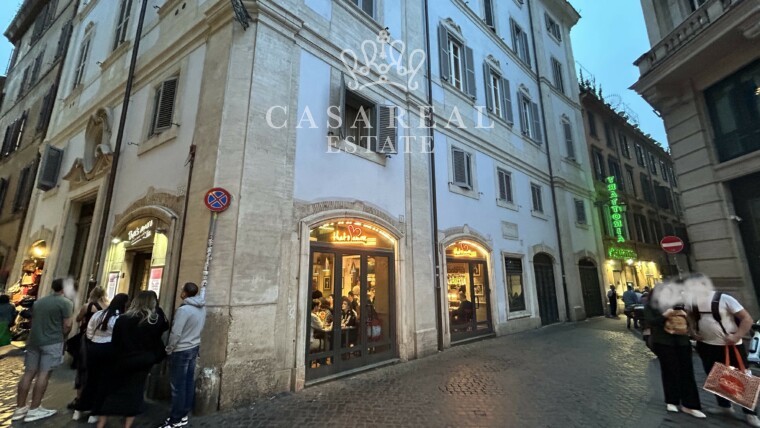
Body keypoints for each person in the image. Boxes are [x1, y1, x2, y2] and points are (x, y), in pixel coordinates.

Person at [95, 291, 168, 428]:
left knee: (112, 389)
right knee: (135, 391)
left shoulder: (122, 319)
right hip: (143, 360)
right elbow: (163, 329)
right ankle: (127, 425)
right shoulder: (154, 320)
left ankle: (102, 422)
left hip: (123, 359)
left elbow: (115, 342)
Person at [692, 288, 760, 427]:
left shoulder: (724, 299)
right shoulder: (692, 301)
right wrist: (693, 331)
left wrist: (736, 336)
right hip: (706, 345)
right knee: (715, 376)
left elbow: (747, 319)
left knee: (742, 378)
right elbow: (690, 317)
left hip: (730, 346)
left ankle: (750, 414)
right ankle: (724, 407)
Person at [12, 278, 74, 422]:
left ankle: (19, 408)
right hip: (52, 341)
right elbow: (68, 324)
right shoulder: (65, 303)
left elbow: (34, 319)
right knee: (44, 374)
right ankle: (34, 408)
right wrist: (63, 336)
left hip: (34, 341)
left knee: (28, 373)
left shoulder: (39, 302)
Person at [644, 288, 705, 419]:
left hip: (682, 341)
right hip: (663, 341)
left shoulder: (680, 304)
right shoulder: (652, 306)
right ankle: (672, 401)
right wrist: (665, 315)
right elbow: (650, 321)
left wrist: (686, 315)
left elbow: (691, 321)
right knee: (670, 371)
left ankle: (690, 405)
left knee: (687, 372)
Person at [74, 293, 129, 422]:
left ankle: (80, 408)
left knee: (90, 379)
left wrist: (92, 340)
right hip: (108, 350)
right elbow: (119, 337)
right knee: (103, 381)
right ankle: (95, 412)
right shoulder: (119, 318)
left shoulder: (99, 314)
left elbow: (89, 329)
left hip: (93, 348)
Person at [160, 282, 206, 428]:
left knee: (178, 386)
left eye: (182, 290)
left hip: (181, 350)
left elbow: (176, 333)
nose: (181, 292)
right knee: (187, 383)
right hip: (194, 346)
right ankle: (184, 413)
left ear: (185, 293)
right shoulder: (202, 308)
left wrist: (169, 348)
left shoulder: (184, 310)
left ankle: (175, 419)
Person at [69, 286, 109, 409]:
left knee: (83, 368)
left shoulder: (88, 306)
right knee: (97, 369)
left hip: (87, 338)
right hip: (102, 341)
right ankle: (95, 398)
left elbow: (78, 319)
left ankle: (79, 399)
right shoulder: (107, 306)